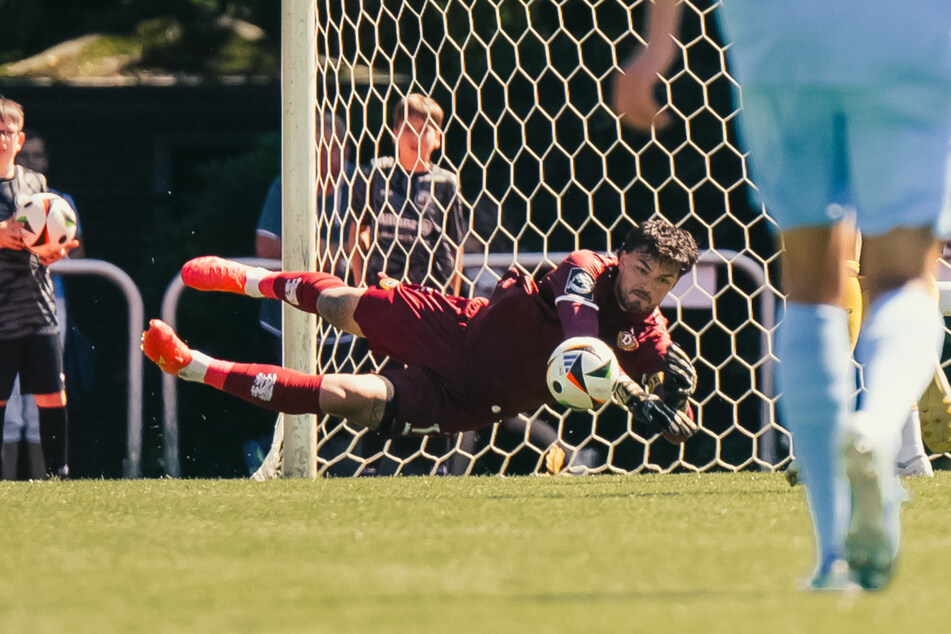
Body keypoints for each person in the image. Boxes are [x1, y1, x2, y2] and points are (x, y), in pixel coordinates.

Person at [613, 0, 951, 591]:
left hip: (782, 34)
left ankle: (831, 556)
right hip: (906, 30)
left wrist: (657, 44)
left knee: (812, 286)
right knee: (904, 276)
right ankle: (876, 428)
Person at [142, 219, 701, 454]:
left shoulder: (650, 331)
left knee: (345, 399)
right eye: (643, 270)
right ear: (623, 256)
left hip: (476, 400)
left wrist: (676, 406)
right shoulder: (587, 268)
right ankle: (251, 278)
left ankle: (190, 365)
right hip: (457, 328)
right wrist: (637, 398)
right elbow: (581, 346)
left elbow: (673, 408)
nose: (648, 288)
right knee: (341, 303)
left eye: (663, 282)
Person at [342, 93, 468, 474]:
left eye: (427, 127)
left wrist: (455, 304)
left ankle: (436, 463)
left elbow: (457, 248)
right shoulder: (374, 175)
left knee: (434, 382)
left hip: (431, 301)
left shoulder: (446, 183)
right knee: (379, 381)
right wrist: (359, 285)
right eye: (409, 126)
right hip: (386, 298)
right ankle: (372, 461)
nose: (418, 134)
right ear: (395, 131)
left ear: (440, 138)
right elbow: (357, 232)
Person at [0, 97, 79, 478]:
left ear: (19, 138)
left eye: (7, 131)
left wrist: (55, 250)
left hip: (38, 307)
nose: (2, 138)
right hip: (2, 314)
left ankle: (57, 475)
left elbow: (47, 242)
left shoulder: (36, 185)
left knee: (52, 393)